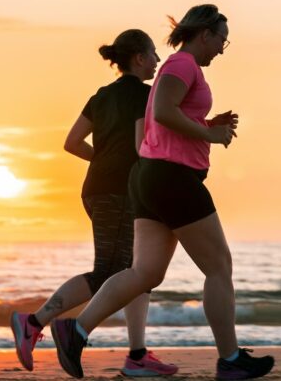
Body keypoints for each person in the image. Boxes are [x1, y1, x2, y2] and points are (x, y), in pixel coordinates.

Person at [50, 5, 275, 380]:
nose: (222, 47)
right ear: (205, 34)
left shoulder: (175, 68)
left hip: (151, 178)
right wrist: (210, 134)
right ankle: (230, 359)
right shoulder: (182, 65)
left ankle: (75, 330)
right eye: (222, 38)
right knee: (219, 267)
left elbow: (165, 120)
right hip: (173, 179)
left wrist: (205, 122)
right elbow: (165, 113)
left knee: (144, 273)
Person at [10, 29, 177, 377]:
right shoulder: (144, 96)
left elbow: (72, 142)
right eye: (153, 55)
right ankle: (34, 321)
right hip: (120, 191)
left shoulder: (100, 96)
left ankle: (137, 355)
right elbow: (138, 147)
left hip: (99, 188)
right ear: (139, 58)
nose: (158, 61)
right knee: (110, 270)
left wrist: (101, 161)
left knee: (137, 271)